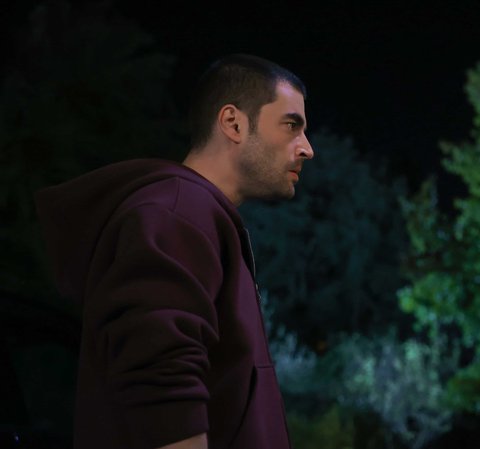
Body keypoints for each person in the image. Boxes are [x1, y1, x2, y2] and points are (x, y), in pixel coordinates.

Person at [35, 54, 314, 449]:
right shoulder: (178, 214)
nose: (307, 149)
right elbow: (162, 381)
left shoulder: (193, 215)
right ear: (233, 123)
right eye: (291, 126)